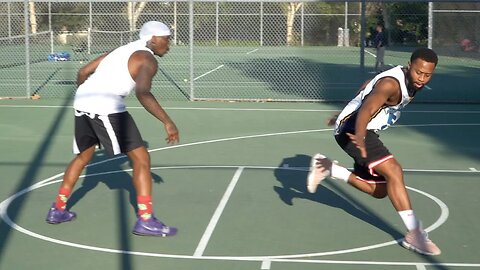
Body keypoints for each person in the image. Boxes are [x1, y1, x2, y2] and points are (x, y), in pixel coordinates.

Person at [45, 21, 179, 237]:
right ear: (153, 39)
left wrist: (88, 96)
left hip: (83, 101)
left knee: (82, 156)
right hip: (106, 106)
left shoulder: (121, 49)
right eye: (167, 38)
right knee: (141, 159)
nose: (169, 44)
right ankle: (145, 220)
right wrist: (167, 121)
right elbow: (143, 93)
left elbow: (83, 72)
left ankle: (57, 210)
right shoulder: (146, 59)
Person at [307, 48, 441, 256]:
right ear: (408, 65)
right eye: (418, 72)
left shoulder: (411, 82)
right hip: (355, 131)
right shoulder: (391, 84)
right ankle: (414, 233)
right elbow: (367, 108)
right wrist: (359, 134)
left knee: (379, 190)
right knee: (394, 171)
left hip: (357, 128)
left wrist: (342, 112)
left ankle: (328, 168)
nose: (422, 78)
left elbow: (365, 88)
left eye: (427, 75)